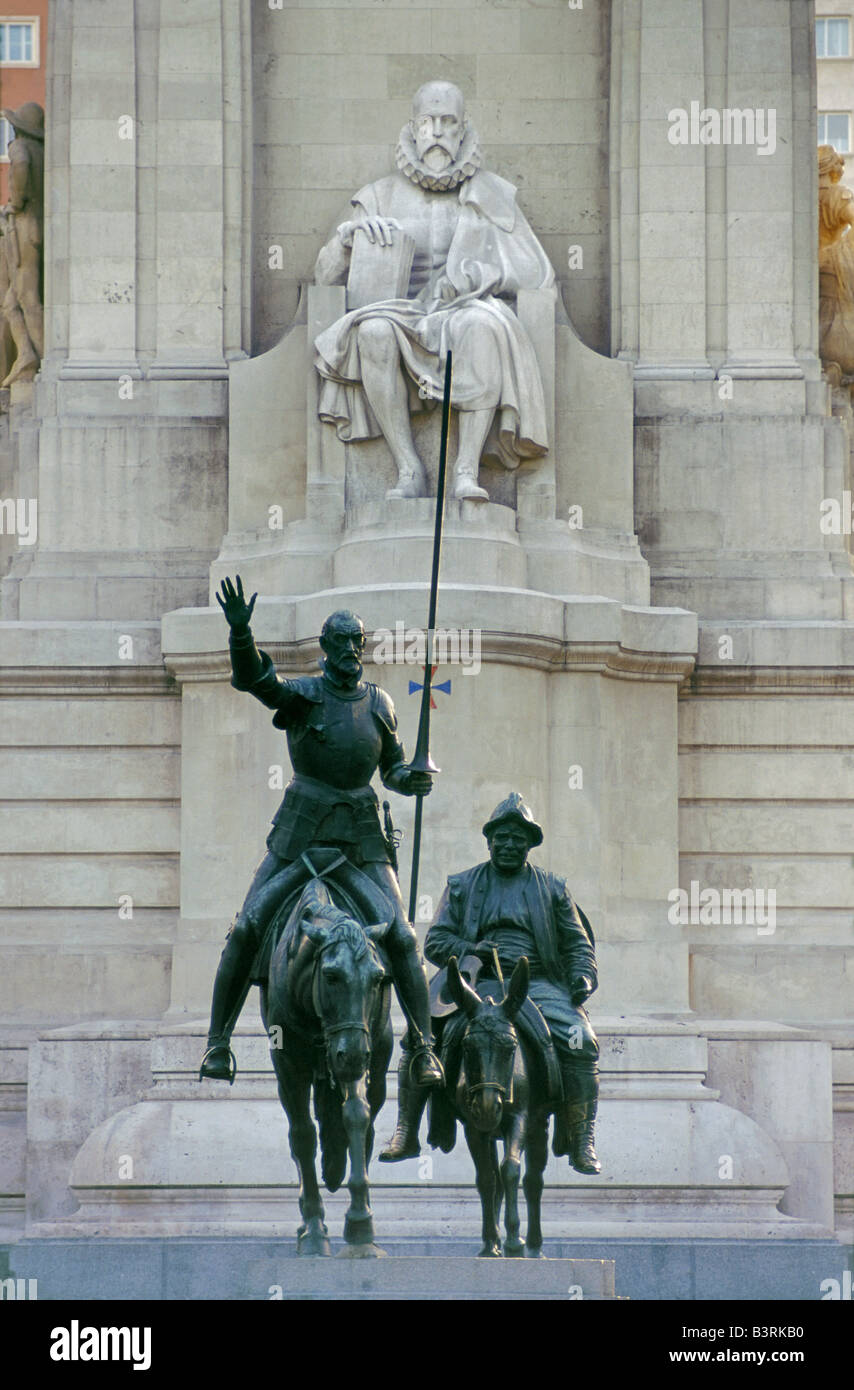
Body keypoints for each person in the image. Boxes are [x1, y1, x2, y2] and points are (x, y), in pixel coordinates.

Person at [199, 576, 443, 1095]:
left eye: (357, 640)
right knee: (246, 929)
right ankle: (218, 1042)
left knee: (399, 936)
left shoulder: (380, 703)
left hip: (362, 840)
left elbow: (391, 770)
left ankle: (421, 1046)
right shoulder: (305, 695)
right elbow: (256, 683)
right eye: (340, 641)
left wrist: (410, 779)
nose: (351, 649)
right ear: (325, 648)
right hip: (301, 837)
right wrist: (242, 636)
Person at [313, 80, 554, 503]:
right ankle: (408, 469)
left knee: (482, 324)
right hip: (401, 313)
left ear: (463, 130)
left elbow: (537, 275)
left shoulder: (491, 193)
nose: (438, 132)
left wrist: (481, 276)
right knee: (370, 332)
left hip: (461, 310)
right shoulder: (378, 196)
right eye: (428, 122)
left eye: (448, 122)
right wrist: (347, 241)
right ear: (412, 128)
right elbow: (324, 276)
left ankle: (466, 470)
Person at [407, 792, 602, 1174]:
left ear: (529, 844)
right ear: (490, 841)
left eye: (518, 839)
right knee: (419, 1035)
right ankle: (407, 1130)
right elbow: (434, 943)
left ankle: (582, 1139)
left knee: (582, 1041)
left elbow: (579, 945)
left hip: (537, 986)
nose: (510, 845)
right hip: (475, 982)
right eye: (503, 838)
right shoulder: (462, 885)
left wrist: (582, 976)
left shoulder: (553, 888)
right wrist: (470, 947)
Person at [0, 102, 44, 387]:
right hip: (38, 224)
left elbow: (21, 166)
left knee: (27, 299)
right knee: (11, 301)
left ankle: (44, 363)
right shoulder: (44, 151)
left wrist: (15, 203)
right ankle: (26, 354)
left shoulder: (19, 147)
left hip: (24, 224)